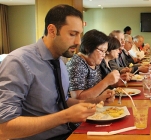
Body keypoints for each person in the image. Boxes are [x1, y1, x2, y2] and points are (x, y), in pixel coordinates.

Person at [0, 5, 113, 140]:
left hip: (70, 132)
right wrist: (65, 116)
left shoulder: (59, 60)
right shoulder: (19, 62)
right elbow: (4, 128)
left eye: (79, 35)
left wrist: (96, 101)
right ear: (52, 30)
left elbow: (62, 101)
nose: (78, 42)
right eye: (72, 34)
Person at [66, 29, 119, 100]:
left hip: (96, 106)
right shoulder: (77, 63)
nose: (104, 55)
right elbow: (77, 98)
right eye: (102, 51)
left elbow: (96, 90)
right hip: (81, 110)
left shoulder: (94, 61)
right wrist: (106, 82)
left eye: (105, 51)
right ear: (88, 48)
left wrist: (105, 94)